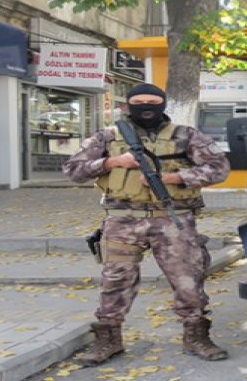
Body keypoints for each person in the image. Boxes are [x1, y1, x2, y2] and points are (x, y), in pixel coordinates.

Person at [62, 83, 231, 366]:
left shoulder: (186, 135)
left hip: (173, 217)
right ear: (128, 106)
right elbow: (73, 170)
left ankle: (196, 336)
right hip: (122, 219)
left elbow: (219, 168)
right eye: (139, 102)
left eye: (153, 101)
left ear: (163, 105)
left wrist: (174, 179)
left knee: (188, 279)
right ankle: (108, 340)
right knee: (115, 280)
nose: (147, 107)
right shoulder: (108, 136)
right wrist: (114, 161)